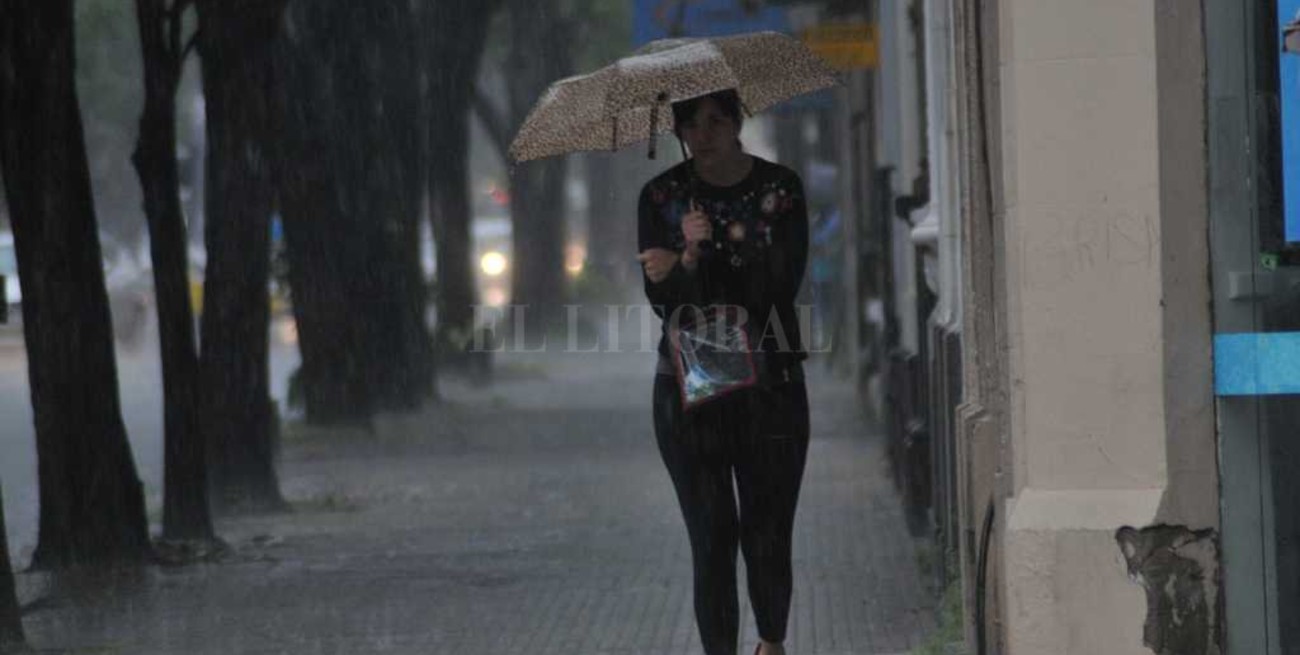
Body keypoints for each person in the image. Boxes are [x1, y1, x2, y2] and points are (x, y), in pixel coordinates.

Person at [636, 88, 810, 655]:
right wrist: (687, 256)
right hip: (689, 393)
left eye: (715, 119)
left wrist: (697, 263)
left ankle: (771, 642)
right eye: (690, 122)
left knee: (766, 532)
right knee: (711, 539)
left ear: (737, 121)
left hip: (770, 387)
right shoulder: (661, 196)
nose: (702, 133)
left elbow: (777, 286)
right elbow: (664, 304)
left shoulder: (780, 189)